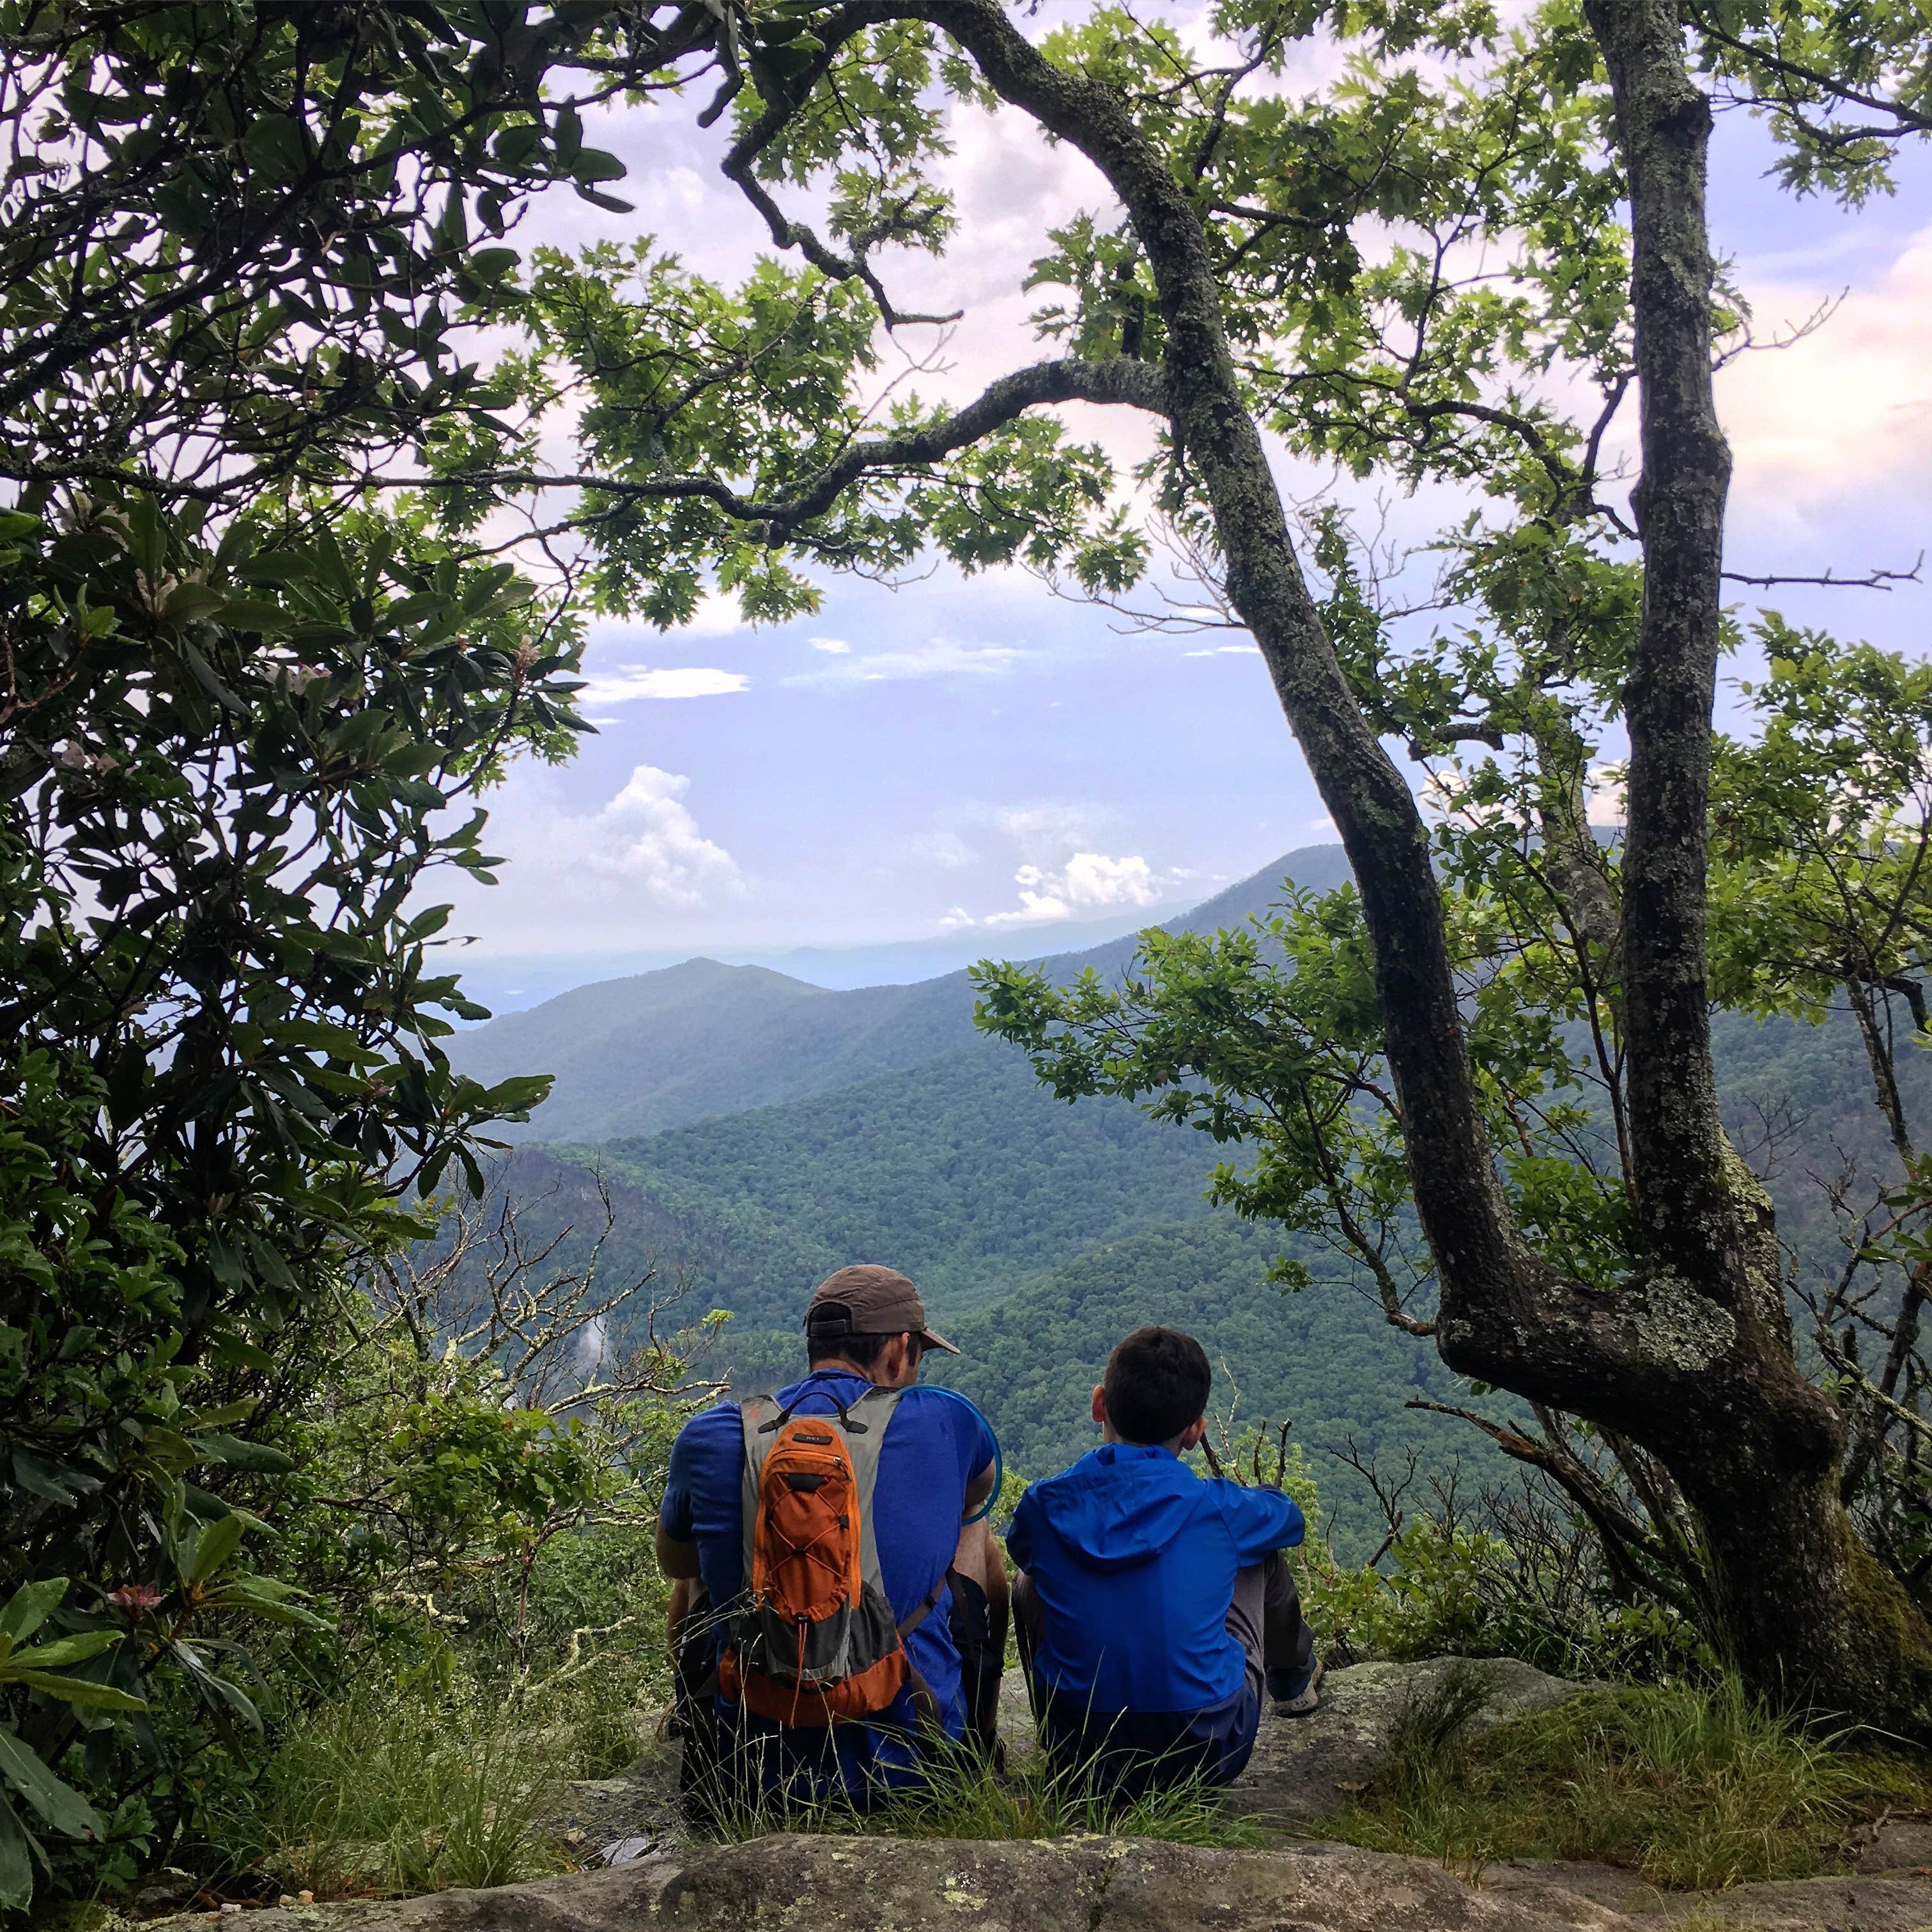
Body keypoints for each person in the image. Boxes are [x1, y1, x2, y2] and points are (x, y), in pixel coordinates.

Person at [658, 1264, 1003, 1812]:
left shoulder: (710, 1433)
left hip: (749, 1776)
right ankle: (978, 1736)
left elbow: (674, 1561)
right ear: (899, 1350)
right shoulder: (950, 1419)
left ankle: (692, 1727)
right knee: (974, 1530)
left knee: (701, 1566)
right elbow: (974, 1495)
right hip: (915, 1770)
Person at [1007, 1325, 1319, 1797]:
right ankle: (1293, 1680)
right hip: (1208, 1745)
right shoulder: (1216, 1507)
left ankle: (1058, 1742)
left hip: (1085, 1749)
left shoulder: (1044, 1505)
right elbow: (1289, 1520)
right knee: (1257, 1554)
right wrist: (1254, 1499)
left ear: (1098, 1404)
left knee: (1028, 1580)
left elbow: (1023, 1549)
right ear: (1195, 1430)